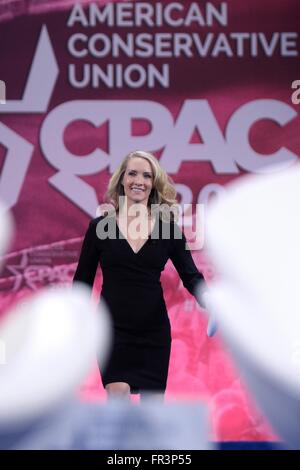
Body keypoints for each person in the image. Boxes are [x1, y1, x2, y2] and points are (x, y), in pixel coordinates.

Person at [73, 150, 207, 400]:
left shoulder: (168, 229)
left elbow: (191, 276)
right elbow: (82, 281)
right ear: (122, 179)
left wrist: (213, 302)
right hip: (112, 330)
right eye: (132, 173)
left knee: (150, 418)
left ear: (153, 183)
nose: (139, 180)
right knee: (118, 396)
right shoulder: (100, 227)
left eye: (147, 176)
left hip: (153, 332)